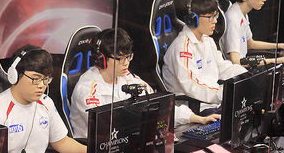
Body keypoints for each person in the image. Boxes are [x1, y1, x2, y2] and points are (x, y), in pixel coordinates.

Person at [69, 28, 220, 138]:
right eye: (120, 59)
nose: (126, 63)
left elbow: (158, 105)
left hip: (130, 146)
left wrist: (197, 118)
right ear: (101, 59)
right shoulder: (88, 91)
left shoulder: (127, 77)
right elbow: (109, 130)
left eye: (128, 57)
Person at [0, 45, 86, 153]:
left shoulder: (46, 103)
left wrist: (90, 152)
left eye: (46, 79)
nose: (41, 85)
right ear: (15, 75)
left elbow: (61, 142)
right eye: (35, 78)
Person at [162, 0, 247, 113]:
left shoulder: (207, 41)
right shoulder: (182, 49)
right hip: (194, 110)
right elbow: (192, 85)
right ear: (193, 18)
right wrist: (224, 93)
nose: (215, 21)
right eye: (210, 17)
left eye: (215, 15)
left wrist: (245, 76)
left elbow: (222, 67)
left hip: (212, 103)